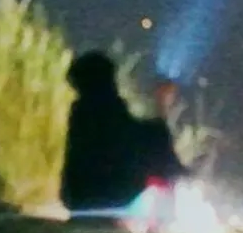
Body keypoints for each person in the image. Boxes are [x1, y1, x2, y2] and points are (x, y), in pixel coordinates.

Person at [60, 52, 188, 216]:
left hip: (77, 195)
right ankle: (172, 207)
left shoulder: (81, 111)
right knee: (158, 137)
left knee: (156, 136)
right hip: (110, 194)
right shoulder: (104, 110)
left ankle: (176, 184)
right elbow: (134, 141)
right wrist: (161, 104)